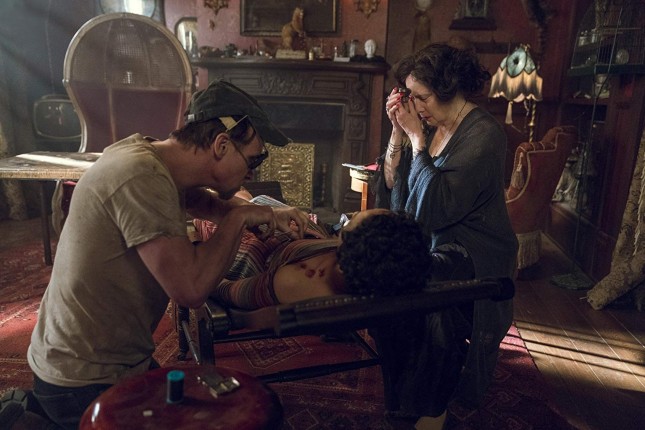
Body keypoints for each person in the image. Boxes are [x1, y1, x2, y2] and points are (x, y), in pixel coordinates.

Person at [26, 79, 310, 430]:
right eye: (255, 159)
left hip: (115, 359)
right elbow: (191, 290)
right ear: (221, 145)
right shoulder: (141, 177)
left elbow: (207, 204)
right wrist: (239, 220)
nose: (253, 172)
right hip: (82, 377)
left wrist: (269, 213)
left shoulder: (151, 158)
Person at [376, 43, 518, 428]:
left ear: (448, 88)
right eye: (410, 97)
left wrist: (417, 141)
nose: (416, 106)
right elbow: (393, 188)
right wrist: (398, 133)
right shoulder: (432, 126)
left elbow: (436, 209)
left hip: (476, 251)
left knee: (425, 292)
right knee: (385, 279)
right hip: (435, 242)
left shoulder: (484, 134)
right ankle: (406, 394)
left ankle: (429, 409)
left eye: (422, 97)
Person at [194, 206, 436, 309]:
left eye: (349, 223)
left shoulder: (294, 282)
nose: (349, 215)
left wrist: (198, 279)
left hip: (255, 244)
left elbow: (228, 291)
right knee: (246, 197)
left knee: (225, 201)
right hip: (296, 232)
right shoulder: (370, 266)